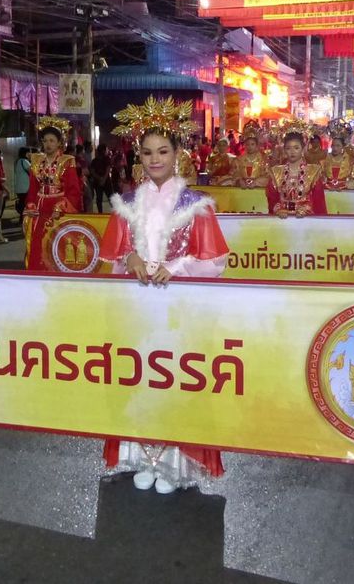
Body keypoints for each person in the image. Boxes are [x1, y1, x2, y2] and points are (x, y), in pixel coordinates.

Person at [98, 104, 230, 494]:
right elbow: (113, 255)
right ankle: (140, 456)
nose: (155, 159)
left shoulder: (196, 205)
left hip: (180, 307)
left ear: (178, 155)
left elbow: (215, 260)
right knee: (138, 374)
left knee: (177, 377)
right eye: (147, 152)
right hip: (138, 306)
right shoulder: (126, 203)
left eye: (163, 151)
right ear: (138, 157)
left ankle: (175, 462)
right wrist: (130, 256)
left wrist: (176, 266)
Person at [23, 117, 83, 270]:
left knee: (57, 243)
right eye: (45, 141)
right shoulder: (37, 161)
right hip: (39, 206)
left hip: (58, 208)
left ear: (59, 143)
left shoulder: (67, 161)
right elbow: (33, 187)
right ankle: (36, 272)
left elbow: (73, 190)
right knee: (37, 240)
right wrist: (30, 204)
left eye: (52, 141)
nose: (48, 144)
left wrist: (62, 206)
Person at [266, 129, 327, 217]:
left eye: (296, 148)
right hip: (282, 219)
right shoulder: (276, 172)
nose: (292, 152)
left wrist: (307, 208)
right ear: (284, 150)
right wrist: (278, 209)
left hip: (307, 220)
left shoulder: (313, 171)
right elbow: (272, 200)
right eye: (288, 148)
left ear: (303, 148)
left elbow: (319, 203)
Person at [232, 124, 270, 188]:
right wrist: (239, 181)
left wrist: (256, 182)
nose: (250, 147)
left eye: (252, 144)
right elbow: (235, 173)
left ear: (257, 145)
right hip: (241, 190)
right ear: (244, 145)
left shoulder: (263, 159)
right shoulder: (238, 160)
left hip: (258, 191)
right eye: (247, 144)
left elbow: (267, 176)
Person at [88, 145, 111, 214]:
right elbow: (107, 170)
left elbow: (92, 171)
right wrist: (103, 179)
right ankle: (114, 211)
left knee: (100, 198)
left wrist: (100, 178)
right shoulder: (105, 159)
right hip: (105, 181)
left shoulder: (95, 160)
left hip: (99, 181)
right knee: (109, 197)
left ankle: (100, 213)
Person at [13, 147, 32, 218]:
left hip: (19, 188)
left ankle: (22, 219)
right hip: (25, 188)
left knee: (22, 204)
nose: (31, 154)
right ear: (26, 153)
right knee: (26, 205)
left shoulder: (18, 161)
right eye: (29, 152)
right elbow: (33, 172)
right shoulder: (24, 161)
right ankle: (24, 221)